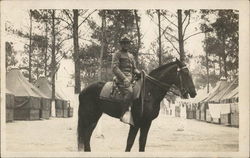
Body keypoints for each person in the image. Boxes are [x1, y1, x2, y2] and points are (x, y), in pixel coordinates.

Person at [111, 34, 140, 125]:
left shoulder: (131, 56)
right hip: (121, 78)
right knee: (130, 92)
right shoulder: (117, 54)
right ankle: (124, 114)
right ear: (121, 44)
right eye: (124, 43)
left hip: (131, 78)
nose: (126, 45)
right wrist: (124, 79)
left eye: (127, 43)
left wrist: (139, 73)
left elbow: (134, 68)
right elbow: (114, 68)